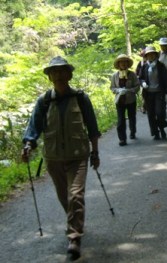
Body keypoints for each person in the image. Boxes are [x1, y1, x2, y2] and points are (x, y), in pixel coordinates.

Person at [21, 56, 101, 260]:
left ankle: (74, 237)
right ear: (49, 76)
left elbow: (92, 127)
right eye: (53, 71)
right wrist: (28, 145)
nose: (58, 75)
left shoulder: (81, 98)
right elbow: (34, 128)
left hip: (78, 155)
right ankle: (75, 220)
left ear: (69, 74)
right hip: (54, 157)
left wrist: (95, 152)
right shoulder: (44, 101)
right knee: (64, 196)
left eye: (61, 70)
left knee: (75, 195)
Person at [139, 46, 167, 140]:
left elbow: (166, 79)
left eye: (152, 54)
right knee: (151, 114)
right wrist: (143, 83)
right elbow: (140, 78)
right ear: (146, 56)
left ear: (155, 55)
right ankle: (155, 132)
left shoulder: (161, 66)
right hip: (148, 94)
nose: (151, 56)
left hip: (159, 93)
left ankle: (162, 128)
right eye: (148, 55)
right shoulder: (144, 66)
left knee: (160, 112)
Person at [110, 54, 140, 146]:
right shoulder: (115, 76)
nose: (123, 64)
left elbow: (137, 86)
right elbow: (112, 88)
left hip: (131, 100)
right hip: (120, 101)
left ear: (127, 63)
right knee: (120, 121)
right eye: (121, 62)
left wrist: (129, 90)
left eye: (125, 62)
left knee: (132, 117)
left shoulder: (132, 75)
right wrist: (118, 90)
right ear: (118, 64)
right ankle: (122, 139)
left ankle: (133, 131)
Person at [135, 49, 147, 114]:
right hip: (142, 81)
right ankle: (144, 107)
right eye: (143, 56)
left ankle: (146, 107)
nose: (144, 57)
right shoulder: (141, 63)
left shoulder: (151, 61)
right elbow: (136, 71)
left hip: (150, 81)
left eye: (144, 55)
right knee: (144, 95)